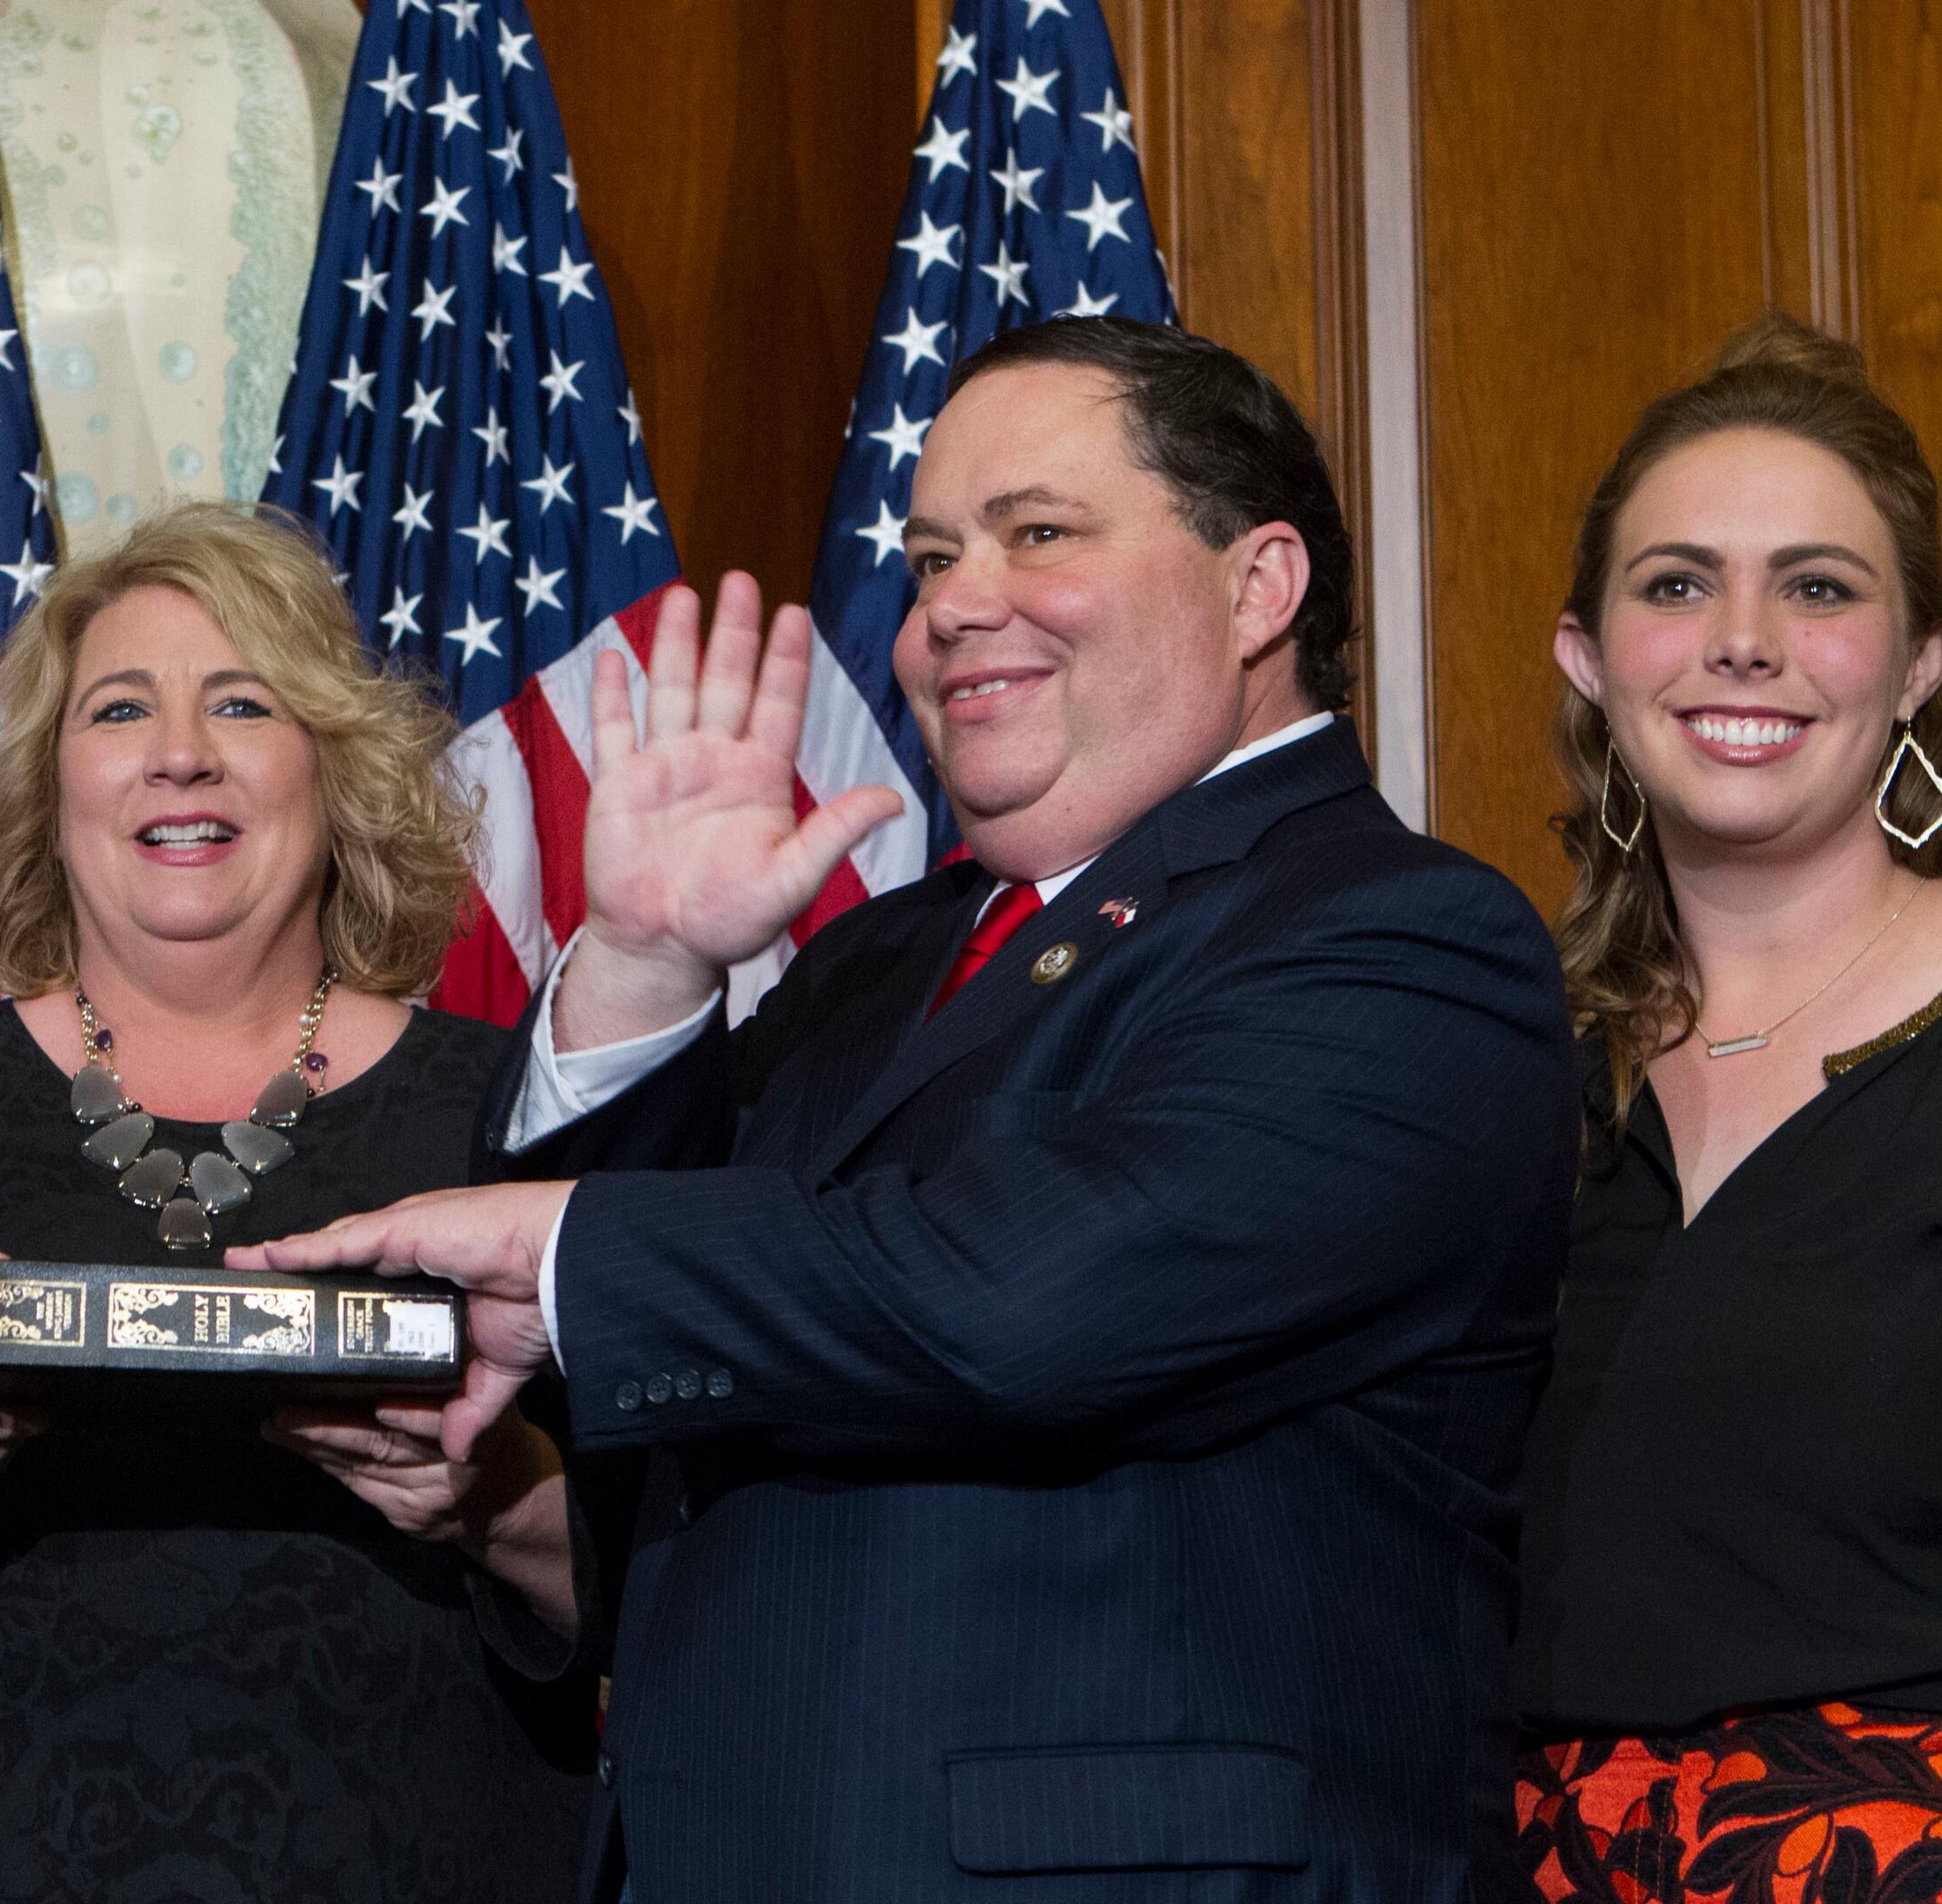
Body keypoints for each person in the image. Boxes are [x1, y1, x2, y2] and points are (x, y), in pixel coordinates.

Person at [239, 317, 1580, 1900]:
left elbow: (1023, 1305)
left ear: (1258, 585)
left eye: (1039, 534)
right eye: (935, 555)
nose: (956, 604)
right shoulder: (880, 957)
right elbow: (656, 1400)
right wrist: (650, 967)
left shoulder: (1401, 941)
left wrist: (566, 1264)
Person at [0, 501, 599, 1902]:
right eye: (121, 708)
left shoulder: (526, 1121)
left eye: (243, 702)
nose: (180, 753)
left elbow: (706, 1567)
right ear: (48, 782)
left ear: (336, 766)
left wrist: (500, 1501)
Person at [1507, 319, 1942, 1901]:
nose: (1740, 640)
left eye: (1820, 588)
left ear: (1918, 665)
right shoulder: (1509, 1067)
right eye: (1676, 584)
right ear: (1587, 658)